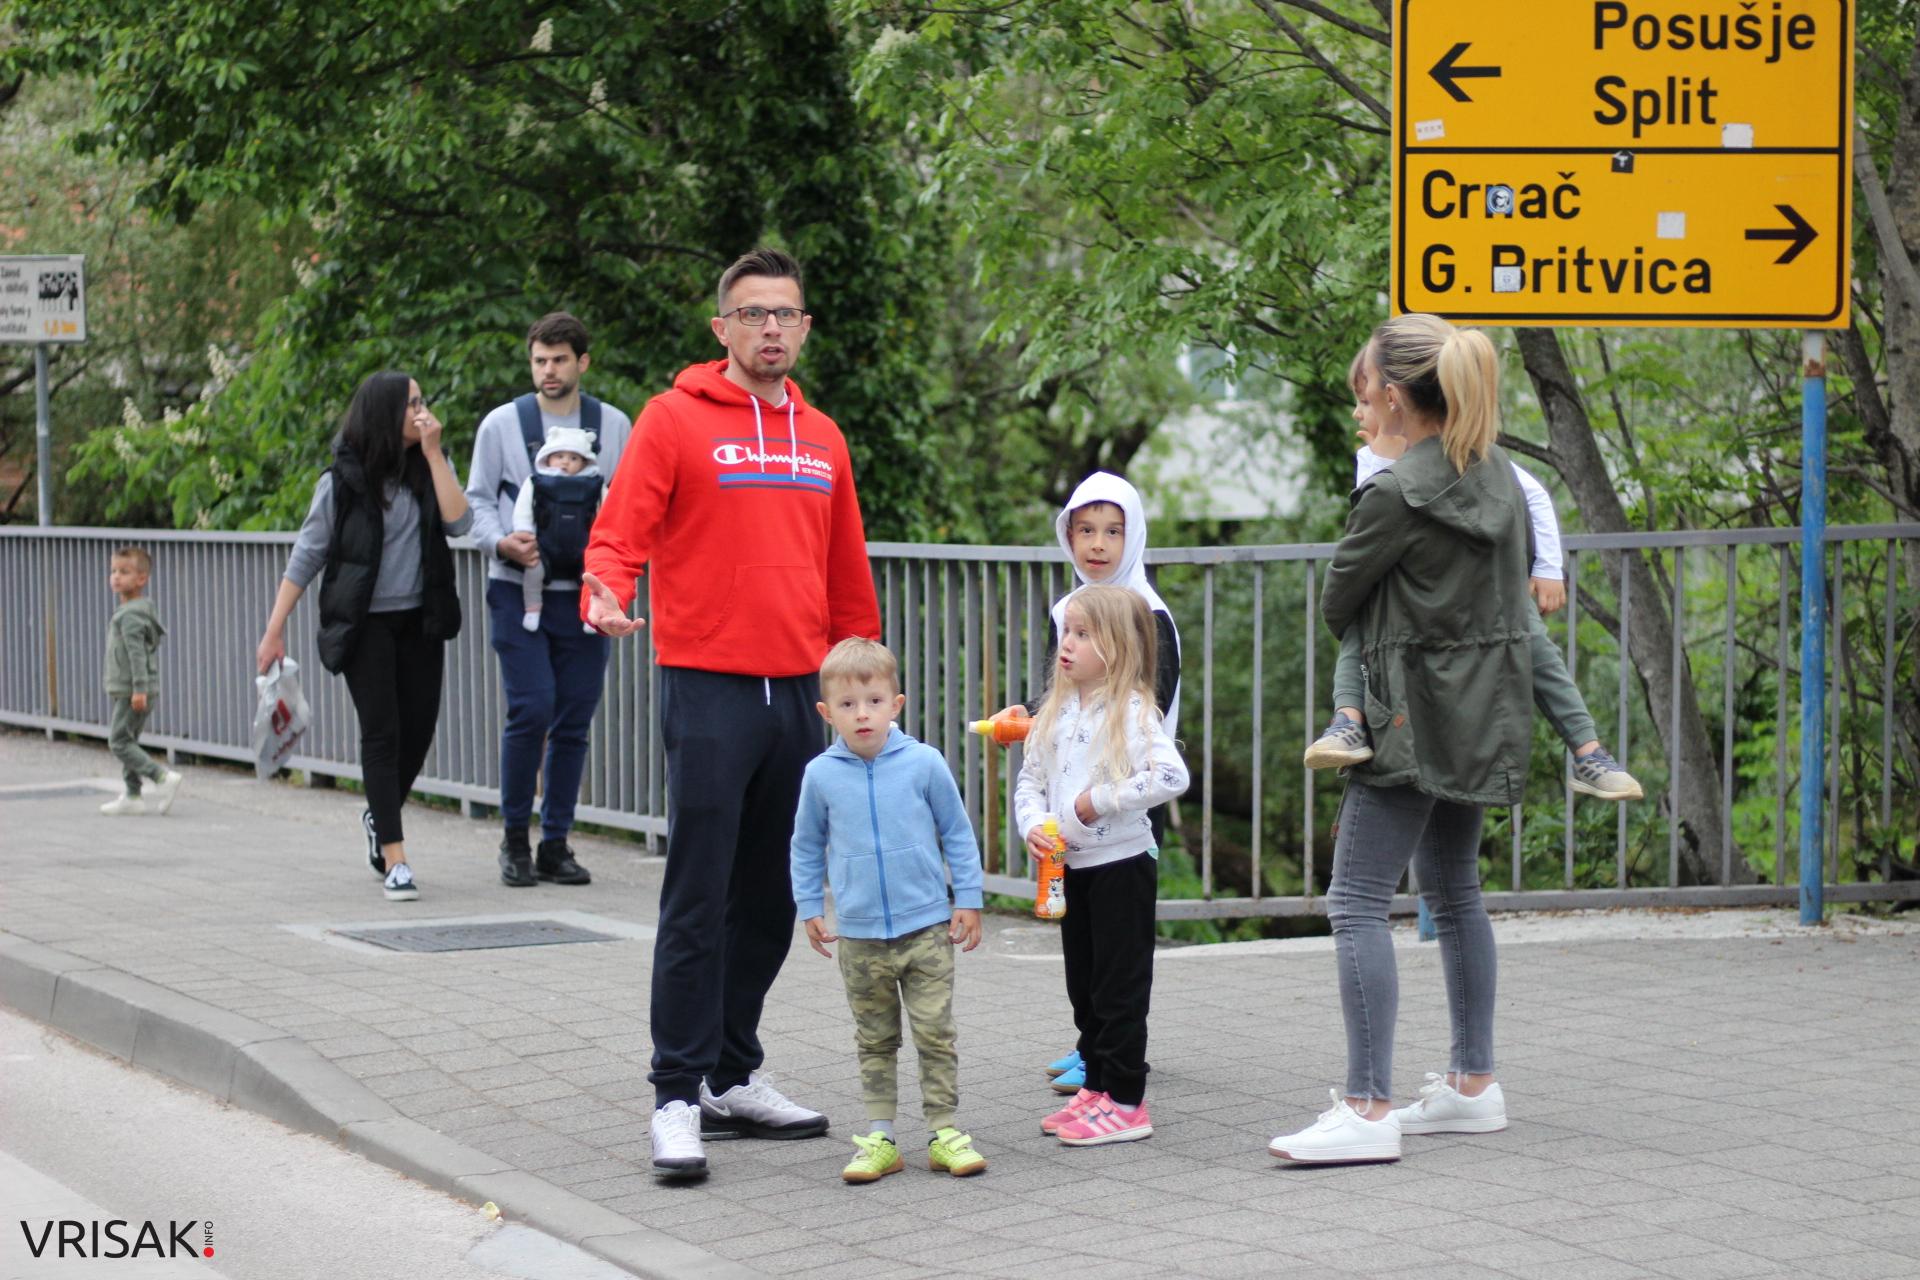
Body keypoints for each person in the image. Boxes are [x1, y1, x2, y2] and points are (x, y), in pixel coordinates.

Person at [581, 247, 882, 1180]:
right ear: (723, 329)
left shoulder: (824, 438)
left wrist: (862, 691)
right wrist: (603, 587)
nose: (770, 330)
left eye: (785, 315)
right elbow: (619, 529)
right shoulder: (675, 421)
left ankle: (729, 1072)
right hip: (708, 684)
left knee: (768, 897)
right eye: (752, 315)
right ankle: (673, 1095)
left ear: (803, 327)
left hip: (799, 693)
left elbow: (846, 576)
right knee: (699, 895)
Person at [1268, 314, 1529, 1165]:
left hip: (1403, 715)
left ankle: (1369, 1106)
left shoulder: (1392, 489)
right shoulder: (1502, 482)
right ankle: (1471, 1086)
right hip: (1475, 715)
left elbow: (1341, 598)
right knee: (1454, 887)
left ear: (1389, 394)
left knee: (1354, 902)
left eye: (1368, 387)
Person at [1303, 345, 1642, 803]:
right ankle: (1589, 749)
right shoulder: (1477, 459)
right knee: (1529, 638)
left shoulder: (1406, 470)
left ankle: (1348, 719)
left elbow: (1347, 578)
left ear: (1393, 397)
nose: (1358, 412)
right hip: (1482, 615)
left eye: (1365, 399)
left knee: (1369, 606)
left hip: (1438, 623)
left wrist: (1546, 567)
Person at [987, 471, 1183, 1096]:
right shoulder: (1069, 609)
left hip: (1124, 803)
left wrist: (1102, 782)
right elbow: (1064, 698)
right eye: (1085, 529)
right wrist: (1031, 722)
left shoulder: (1148, 612)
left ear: (1135, 536)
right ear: (1067, 535)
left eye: (1113, 531)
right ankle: (1091, 1049)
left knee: (1118, 955)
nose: (1098, 544)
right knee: (1084, 949)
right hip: (1069, 814)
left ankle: (1115, 1069)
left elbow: (1147, 705)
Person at [258, 371, 471, 902]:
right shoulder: (342, 481)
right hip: (365, 624)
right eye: (412, 404)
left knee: (418, 732)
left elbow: (460, 524)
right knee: (382, 734)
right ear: (384, 414)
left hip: (421, 618)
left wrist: (435, 450)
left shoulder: (428, 467)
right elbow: (307, 554)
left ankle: (379, 815)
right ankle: (396, 858)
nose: (422, 411)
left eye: (424, 401)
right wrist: (274, 628)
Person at [791, 638, 988, 1184]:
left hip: (927, 927)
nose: (863, 714)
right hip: (858, 937)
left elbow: (957, 833)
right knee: (874, 1039)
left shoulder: (924, 764)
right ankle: (880, 1137)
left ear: (895, 704)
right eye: (849, 705)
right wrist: (809, 904)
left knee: (934, 1032)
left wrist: (967, 898)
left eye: (874, 701)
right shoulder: (820, 775)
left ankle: (945, 1131)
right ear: (826, 713)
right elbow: (806, 845)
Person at [1014, 584, 1189, 1147]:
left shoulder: (1134, 710)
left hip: (1121, 865)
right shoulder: (1056, 710)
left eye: (1084, 634)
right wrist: (1034, 825)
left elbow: (1171, 777)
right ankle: (1095, 1085)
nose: (1067, 644)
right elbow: (1030, 782)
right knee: (1083, 985)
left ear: (1117, 646)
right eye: (1067, 631)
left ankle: (1127, 1100)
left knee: (1119, 987)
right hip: (1073, 868)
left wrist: (1099, 801)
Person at [466, 313, 632, 889]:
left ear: (582, 362)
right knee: (531, 709)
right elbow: (478, 501)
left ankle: (555, 842)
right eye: (540, 359)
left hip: (587, 601)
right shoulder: (501, 425)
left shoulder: (613, 426)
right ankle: (514, 838)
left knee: (573, 721)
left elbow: (630, 508)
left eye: (560, 359)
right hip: (518, 590)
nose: (549, 370)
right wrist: (500, 541)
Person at [99, 546, 184, 817]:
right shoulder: (134, 610)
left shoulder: (131, 615)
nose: (116, 577)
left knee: (118, 741)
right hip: (132, 689)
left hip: (133, 690)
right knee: (129, 739)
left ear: (141, 579)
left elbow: (137, 656)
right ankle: (133, 796)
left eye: (124, 572)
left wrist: (138, 689)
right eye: (114, 571)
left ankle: (161, 777)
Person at [509, 427, 601, 635]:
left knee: (592, 577)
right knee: (533, 569)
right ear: (548, 457)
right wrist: (523, 531)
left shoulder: (594, 485)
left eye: (573, 458)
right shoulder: (536, 482)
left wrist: (604, 537)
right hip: (544, 546)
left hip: (583, 547)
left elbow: (608, 511)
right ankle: (532, 608)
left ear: (585, 461)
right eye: (559, 456)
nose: (565, 462)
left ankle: (591, 613)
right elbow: (523, 508)